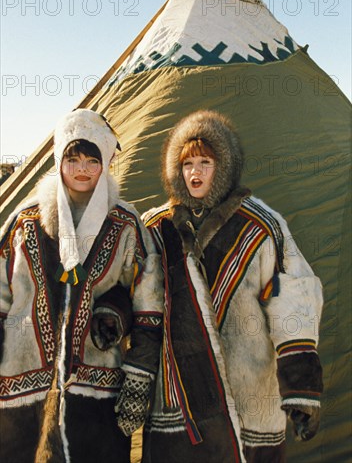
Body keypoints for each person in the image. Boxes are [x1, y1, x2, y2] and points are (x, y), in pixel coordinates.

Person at [141, 110, 323, 463]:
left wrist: (301, 386)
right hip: (178, 394)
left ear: (223, 166)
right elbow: (136, 296)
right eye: (187, 163)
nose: (195, 172)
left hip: (249, 395)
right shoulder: (155, 227)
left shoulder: (261, 225)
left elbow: (294, 299)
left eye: (205, 162)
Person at [0, 109, 163, 463]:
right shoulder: (24, 222)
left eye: (93, 159)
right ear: (59, 160)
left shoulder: (125, 223)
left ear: (105, 164)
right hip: (21, 384)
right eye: (73, 159)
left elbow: (148, 299)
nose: (83, 169)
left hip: (98, 385)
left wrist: (139, 371)